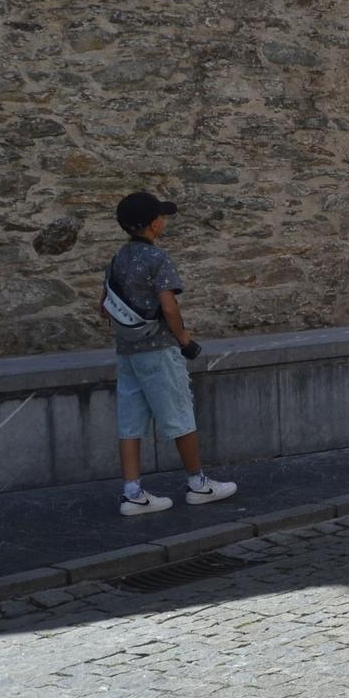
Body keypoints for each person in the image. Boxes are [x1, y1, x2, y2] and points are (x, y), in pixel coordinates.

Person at [101, 192, 238, 516]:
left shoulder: (116, 260)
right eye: (161, 217)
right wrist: (184, 338)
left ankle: (132, 492)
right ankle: (198, 483)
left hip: (127, 352)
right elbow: (169, 306)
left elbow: (102, 306)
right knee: (179, 414)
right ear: (154, 224)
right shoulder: (157, 259)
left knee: (130, 421)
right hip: (159, 350)